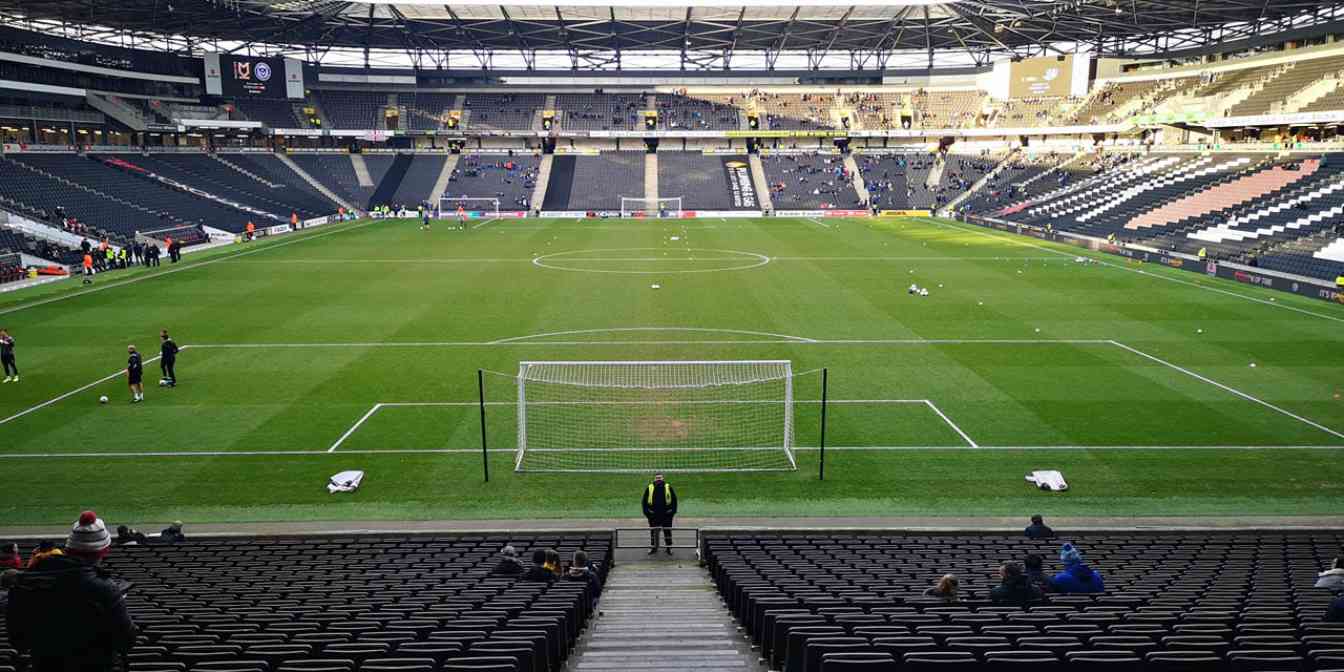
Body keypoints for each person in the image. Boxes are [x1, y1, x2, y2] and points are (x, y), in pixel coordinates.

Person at [5, 511, 138, 672]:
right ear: (104, 551)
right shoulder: (105, 589)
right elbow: (126, 641)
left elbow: (18, 641)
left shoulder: (27, 582)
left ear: (68, 548)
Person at [642, 473, 677, 555]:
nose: (658, 479)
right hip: (653, 515)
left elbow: (674, 500)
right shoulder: (650, 487)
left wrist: (672, 512)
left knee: (667, 531)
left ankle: (669, 547)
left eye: (660, 478)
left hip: (666, 515)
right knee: (653, 532)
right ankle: (654, 547)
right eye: (657, 478)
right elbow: (644, 501)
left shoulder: (668, 487)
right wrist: (648, 513)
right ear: (654, 479)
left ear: (663, 479)